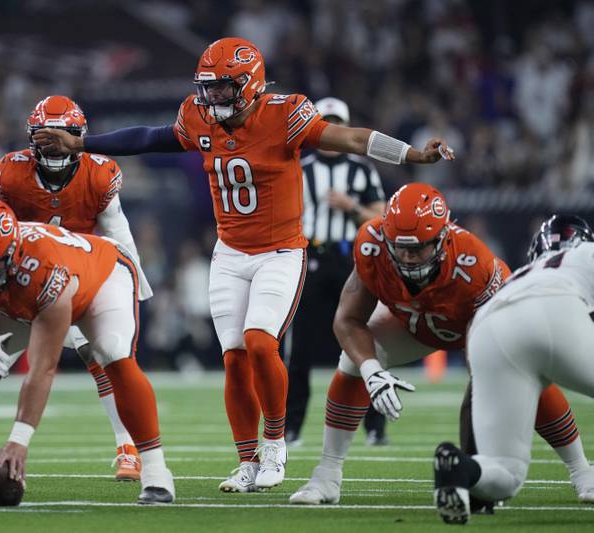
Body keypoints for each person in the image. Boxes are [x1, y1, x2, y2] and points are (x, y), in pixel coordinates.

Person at [31, 37, 453, 492]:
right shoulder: (197, 117)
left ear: (249, 84)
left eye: (222, 88)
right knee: (233, 359)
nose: (211, 98)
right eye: (207, 88)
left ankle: (275, 446)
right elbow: (150, 137)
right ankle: (247, 460)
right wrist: (82, 143)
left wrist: (412, 154)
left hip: (281, 251)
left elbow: (350, 138)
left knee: (259, 342)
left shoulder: (284, 114)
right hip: (230, 253)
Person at [289, 186, 594, 505]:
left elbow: (507, 344)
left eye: (418, 248)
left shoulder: (475, 265)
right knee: (354, 360)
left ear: (443, 237)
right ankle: (326, 476)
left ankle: (580, 468)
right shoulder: (372, 243)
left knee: (525, 368)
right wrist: (371, 371)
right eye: (400, 248)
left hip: (477, 327)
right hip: (410, 323)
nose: (407, 257)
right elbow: (348, 319)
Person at [0, 199, 174, 504]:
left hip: (102, 277)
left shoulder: (43, 268)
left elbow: (43, 367)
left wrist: (18, 442)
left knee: (111, 350)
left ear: (12, 253)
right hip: (23, 295)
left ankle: (156, 471)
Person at [0, 94, 151, 481]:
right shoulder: (11, 173)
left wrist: (134, 281)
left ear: (79, 137)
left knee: (106, 357)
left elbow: (117, 231)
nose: (55, 143)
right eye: (46, 135)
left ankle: (129, 447)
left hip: (83, 277)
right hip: (28, 278)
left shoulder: (100, 173)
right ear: (31, 138)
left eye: (65, 134)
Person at [434, 214, 594, 524]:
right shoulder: (585, 256)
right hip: (555, 306)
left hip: (488, 325)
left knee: (506, 473)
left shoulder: (523, 272)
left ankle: (461, 469)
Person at [284, 96, 386, 448]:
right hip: (309, 258)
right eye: (324, 122)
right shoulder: (298, 167)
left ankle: (375, 426)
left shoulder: (361, 170)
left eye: (335, 122)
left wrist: (351, 206)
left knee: (365, 338)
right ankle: (291, 427)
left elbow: (382, 216)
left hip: (349, 261)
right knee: (299, 349)